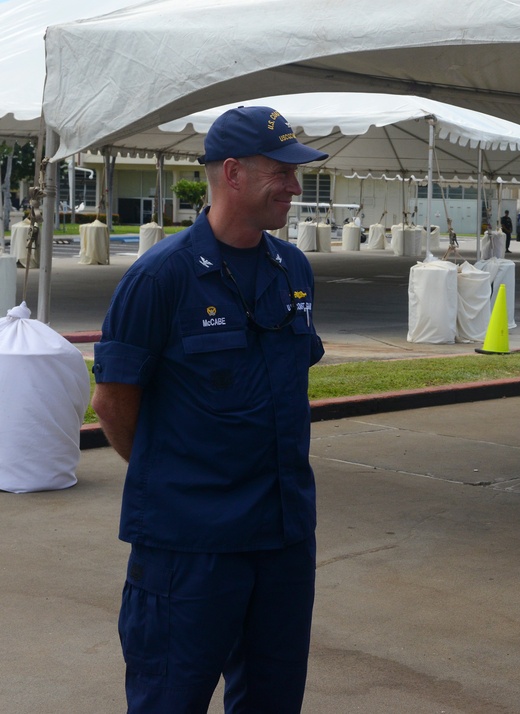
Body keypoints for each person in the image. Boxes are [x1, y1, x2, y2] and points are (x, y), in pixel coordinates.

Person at [91, 105, 329, 713]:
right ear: (232, 174)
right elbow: (114, 403)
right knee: (170, 700)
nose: (295, 188)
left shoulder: (293, 268)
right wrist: (177, 478)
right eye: (281, 172)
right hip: (190, 548)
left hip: (281, 540)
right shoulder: (159, 279)